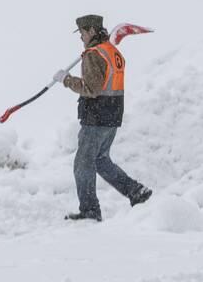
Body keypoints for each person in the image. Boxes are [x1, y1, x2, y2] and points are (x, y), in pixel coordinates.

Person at [54, 14, 153, 222]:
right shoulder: (112, 52)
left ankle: (90, 211)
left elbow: (91, 88)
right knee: (100, 160)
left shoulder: (93, 54)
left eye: (81, 33)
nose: (81, 37)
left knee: (83, 164)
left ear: (90, 31)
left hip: (96, 117)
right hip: (112, 115)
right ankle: (136, 191)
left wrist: (66, 79)